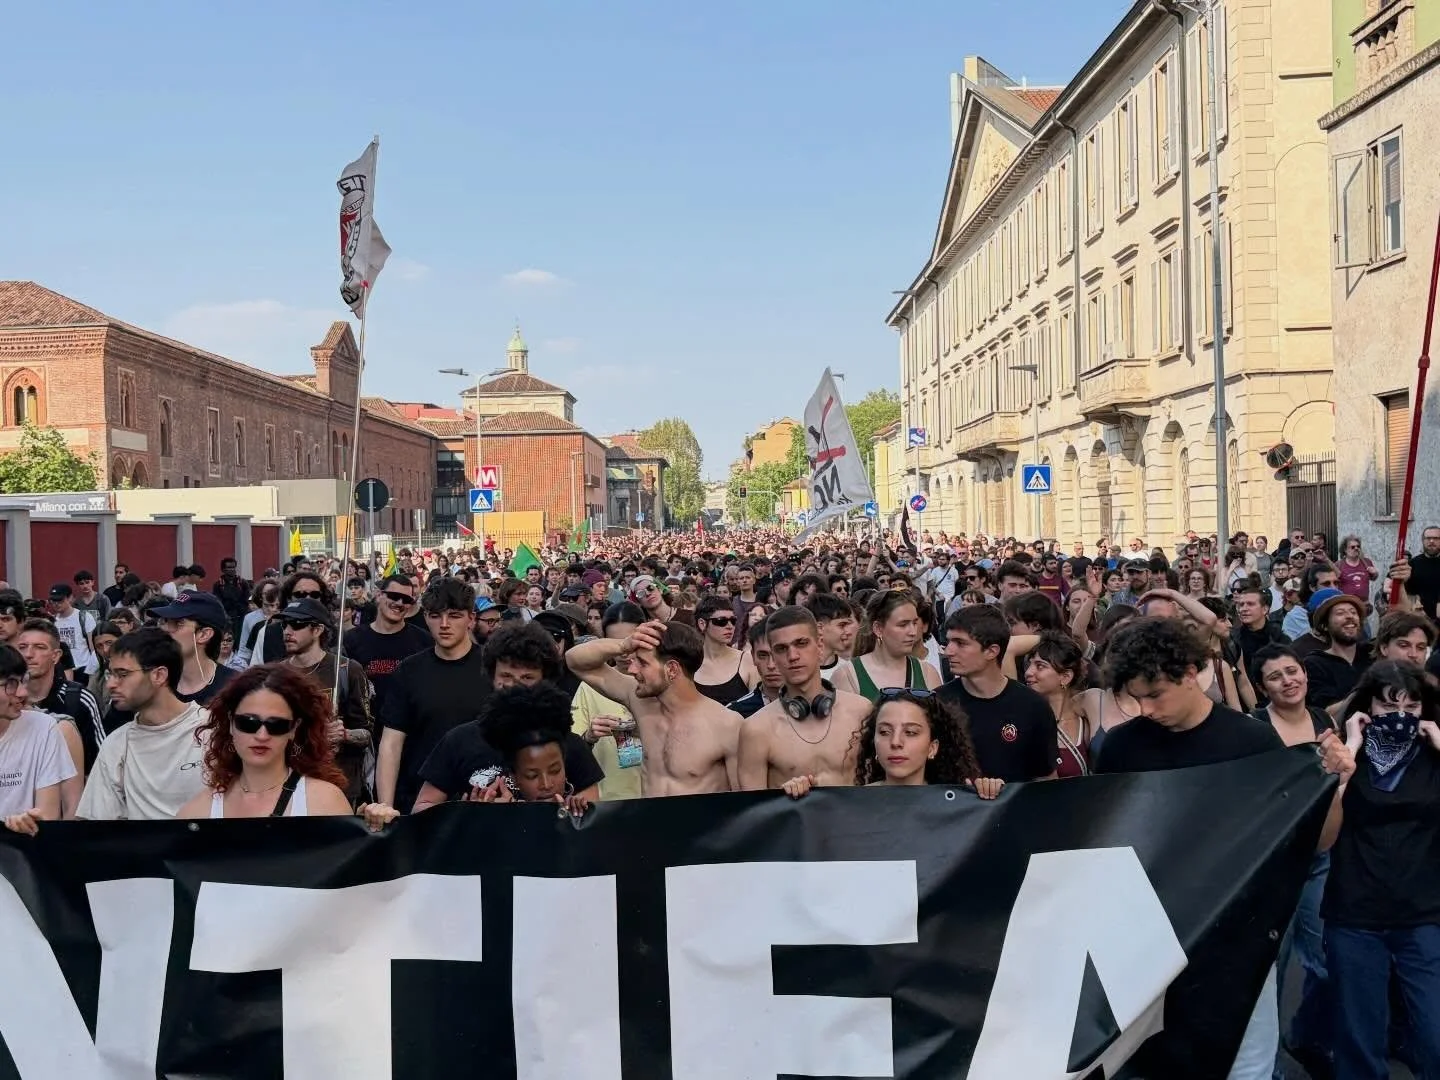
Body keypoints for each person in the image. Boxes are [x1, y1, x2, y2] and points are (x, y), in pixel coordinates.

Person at [1096, 616, 1351, 1079]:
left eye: (1155, 694)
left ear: (1192, 672)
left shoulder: (1251, 740)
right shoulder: (1120, 747)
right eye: (1136, 697)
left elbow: (1315, 840)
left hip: (1240, 932)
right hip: (1148, 931)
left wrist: (1331, 786)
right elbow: (1102, 837)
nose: (1146, 709)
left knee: (1248, 1056)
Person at [1323, 660, 1440, 1079]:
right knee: (1359, 1038)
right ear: (1366, 708)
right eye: (1389, 707)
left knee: (1434, 1032)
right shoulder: (1343, 753)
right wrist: (1349, 752)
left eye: (1411, 707)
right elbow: (1322, 839)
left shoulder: (1431, 755)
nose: (1400, 717)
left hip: (1423, 913)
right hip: (1355, 912)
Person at [567, 617, 740, 796]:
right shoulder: (637, 699)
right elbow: (574, 661)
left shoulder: (727, 725)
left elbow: (744, 804)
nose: (632, 669)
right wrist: (624, 645)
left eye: (642, 663)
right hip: (647, 821)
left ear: (672, 669)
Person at [176, 664, 353, 819]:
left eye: (276, 725)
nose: (262, 735)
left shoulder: (325, 802)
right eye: (248, 723)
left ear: (294, 728)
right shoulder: (197, 812)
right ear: (230, 723)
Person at [375, 577, 487, 813]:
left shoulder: (494, 668)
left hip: (483, 799)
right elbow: (391, 743)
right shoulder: (409, 670)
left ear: (471, 619)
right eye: (436, 616)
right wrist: (386, 806)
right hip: (417, 801)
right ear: (425, 617)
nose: (444, 624)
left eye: (454, 615)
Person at [76, 628, 211, 821]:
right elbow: (94, 823)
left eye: (122, 674)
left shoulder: (212, 730)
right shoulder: (116, 744)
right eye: (110, 674)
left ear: (159, 675)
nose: (111, 684)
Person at [737, 606, 871, 790]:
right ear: (774, 657)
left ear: (820, 645)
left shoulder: (860, 711)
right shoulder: (757, 729)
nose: (793, 656)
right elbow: (754, 811)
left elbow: (879, 788)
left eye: (801, 643)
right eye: (782, 649)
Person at [782, 688, 1003, 799]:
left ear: (933, 748)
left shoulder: (959, 805)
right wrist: (800, 802)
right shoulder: (853, 804)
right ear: (873, 743)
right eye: (885, 732)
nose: (896, 742)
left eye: (911, 732)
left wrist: (990, 797)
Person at [418, 680, 601, 813]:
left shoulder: (573, 746)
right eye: (532, 775)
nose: (546, 785)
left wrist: (578, 817)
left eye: (555, 770)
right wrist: (470, 815)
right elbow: (421, 811)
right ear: (513, 776)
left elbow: (594, 826)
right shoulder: (459, 740)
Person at [937, 605, 1057, 782]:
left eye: (960, 643)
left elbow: (1046, 779)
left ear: (991, 651)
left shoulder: (1032, 706)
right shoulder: (938, 703)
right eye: (949, 642)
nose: (948, 651)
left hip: (1015, 808)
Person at [277, 597, 372, 803]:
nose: (287, 631)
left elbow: (368, 734)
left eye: (297, 624)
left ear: (318, 630)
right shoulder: (276, 674)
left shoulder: (347, 670)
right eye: (285, 624)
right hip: (287, 784)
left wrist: (344, 734)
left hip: (339, 786)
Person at [0, 643, 79, 834]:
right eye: (10, 684)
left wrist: (30, 822)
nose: (23, 693)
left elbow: (47, 817)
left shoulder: (43, 728)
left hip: (23, 854)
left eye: (23, 680)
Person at [573, 601, 645, 800]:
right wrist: (589, 737)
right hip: (607, 801)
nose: (624, 651)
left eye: (630, 641)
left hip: (654, 798)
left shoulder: (658, 684)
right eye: (615, 644)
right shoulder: (591, 686)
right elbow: (572, 748)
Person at [15, 617, 104, 774]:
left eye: (39, 647)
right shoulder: (7, 702)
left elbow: (101, 761)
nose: (28, 654)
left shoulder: (80, 699)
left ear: (55, 656)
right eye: (22, 647)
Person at [832, 589, 941, 702]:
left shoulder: (927, 673)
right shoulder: (848, 676)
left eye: (914, 623)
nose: (912, 632)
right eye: (903, 625)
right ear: (878, 629)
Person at [148, 591, 238, 704]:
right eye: (165, 621)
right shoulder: (155, 683)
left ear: (204, 635)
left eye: (177, 623)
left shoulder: (234, 686)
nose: (165, 629)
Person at [1022, 631, 1092, 777]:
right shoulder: (1022, 719)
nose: (1028, 672)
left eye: (1040, 666)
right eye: (1029, 665)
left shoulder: (1087, 723)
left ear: (1065, 677)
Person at [1303, 588, 1372, 711]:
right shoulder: (1315, 663)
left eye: (1353, 612)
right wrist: (1368, 694)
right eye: (1340, 613)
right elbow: (1325, 712)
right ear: (1325, 626)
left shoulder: (1371, 652)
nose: (1350, 616)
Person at [692, 596, 755, 705]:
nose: (730, 626)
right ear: (702, 624)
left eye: (733, 620)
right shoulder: (688, 663)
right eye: (721, 621)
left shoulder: (747, 661)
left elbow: (758, 708)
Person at [728, 617, 786, 719]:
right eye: (763, 655)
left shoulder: (816, 706)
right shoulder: (736, 712)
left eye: (778, 653)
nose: (771, 665)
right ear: (753, 656)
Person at [48, 582, 98, 680]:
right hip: (61, 670)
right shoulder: (52, 622)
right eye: (53, 601)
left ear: (70, 598)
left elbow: (93, 648)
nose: (56, 604)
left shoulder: (84, 617)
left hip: (83, 669)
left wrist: (92, 670)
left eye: (60, 600)